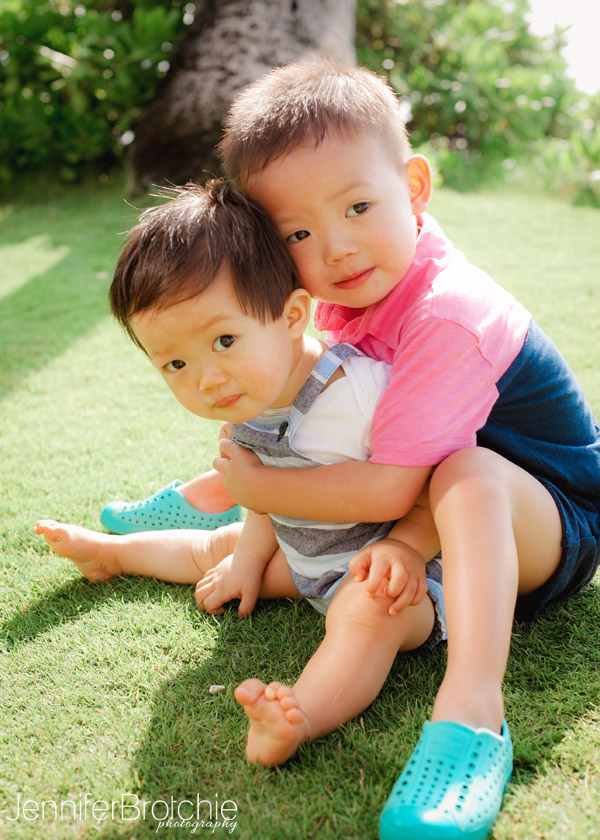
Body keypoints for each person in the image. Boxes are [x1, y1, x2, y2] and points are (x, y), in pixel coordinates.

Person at [100, 61, 600, 840]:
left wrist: (263, 486)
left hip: (540, 524)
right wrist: (256, 486)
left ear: (416, 187)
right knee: (290, 440)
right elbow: (315, 417)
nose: (334, 249)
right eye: (296, 233)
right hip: (422, 518)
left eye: (359, 206)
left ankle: (473, 712)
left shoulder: (448, 315)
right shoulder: (347, 284)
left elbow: (386, 493)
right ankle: (203, 499)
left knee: (465, 473)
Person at [35, 179, 447, 773]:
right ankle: (112, 555)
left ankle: (298, 715)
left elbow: (433, 476)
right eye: (175, 363)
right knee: (219, 547)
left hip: (399, 578)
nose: (206, 379)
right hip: (307, 558)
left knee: (365, 613)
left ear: (292, 315)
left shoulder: (354, 392)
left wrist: (408, 553)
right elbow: (262, 496)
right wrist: (248, 562)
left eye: (224, 340)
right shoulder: (250, 398)